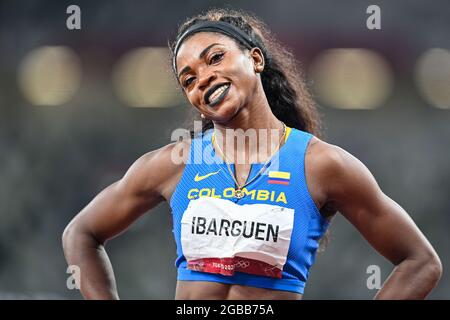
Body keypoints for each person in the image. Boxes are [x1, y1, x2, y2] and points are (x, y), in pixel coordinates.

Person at [62, 8, 442, 300]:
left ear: (256, 60)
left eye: (215, 58)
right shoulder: (173, 165)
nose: (204, 78)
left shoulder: (321, 165)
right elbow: (80, 232)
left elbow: (421, 262)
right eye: (189, 79)